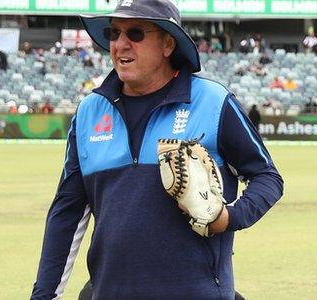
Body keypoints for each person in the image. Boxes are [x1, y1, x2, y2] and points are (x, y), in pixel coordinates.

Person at [30, 0, 283, 299]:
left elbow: (267, 177)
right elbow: (67, 213)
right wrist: (44, 295)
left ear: (167, 44)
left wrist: (230, 217)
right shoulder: (89, 112)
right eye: (114, 33)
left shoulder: (213, 101)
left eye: (135, 33)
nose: (121, 44)